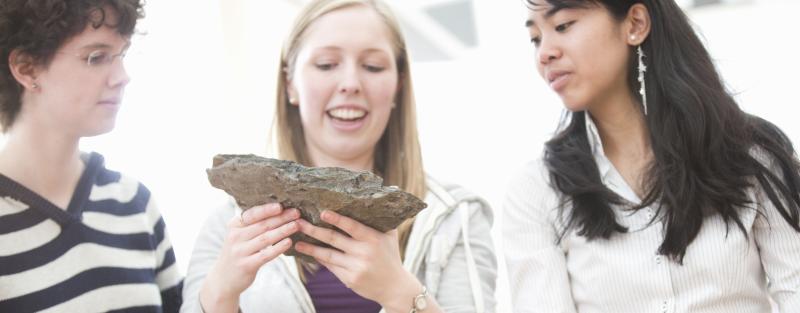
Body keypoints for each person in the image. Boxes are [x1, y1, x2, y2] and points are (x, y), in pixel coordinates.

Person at [181, 1, 497, 313]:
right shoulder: (228, 224)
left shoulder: (456, 217)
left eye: (372, 67)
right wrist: (220, 295)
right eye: (326, 65)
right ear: (290, 83)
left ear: (399, 85)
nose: (350, 84)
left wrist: (401, 293)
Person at [503, 1, 800, 312]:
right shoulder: (536, 191)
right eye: (535, 38)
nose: (544, 53)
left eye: (563, 26)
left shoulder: (752, 154)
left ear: (635, 24)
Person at [0, 0, 183, 312]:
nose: (122, 76)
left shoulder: (134, 202)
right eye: (96, 57)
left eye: (121, 55)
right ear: (26, 68)